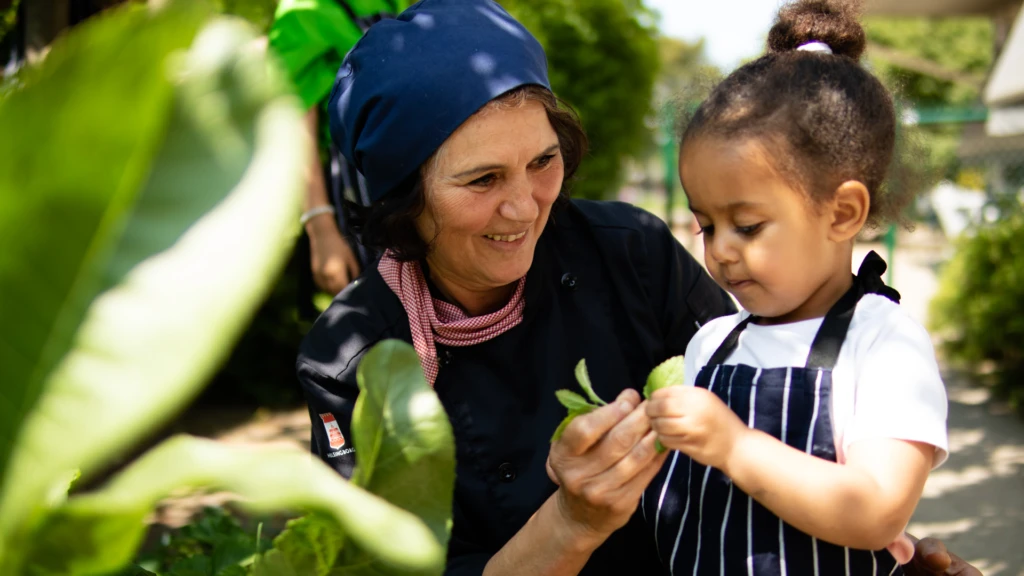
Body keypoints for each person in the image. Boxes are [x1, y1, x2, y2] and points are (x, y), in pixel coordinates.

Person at [296, 1, 980, 574]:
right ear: (401, 197)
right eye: (482, 181)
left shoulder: (628, 255)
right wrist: (570, 522)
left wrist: (891, 556)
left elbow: (779, 440)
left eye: (543, 162)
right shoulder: (353, 358)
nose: (525, 206)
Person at [641, 2, 948, 574]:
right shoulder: (712, 344)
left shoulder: (885, 345)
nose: (722, 248)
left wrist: (733, 446)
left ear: (842, 213)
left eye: (748, 225)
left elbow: (877, 508)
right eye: (707, 225)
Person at [268, 0, 408, 315]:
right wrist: (320, 227)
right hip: (360, 191)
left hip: (410, 177)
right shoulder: (302, 11)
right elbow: (290, 127)